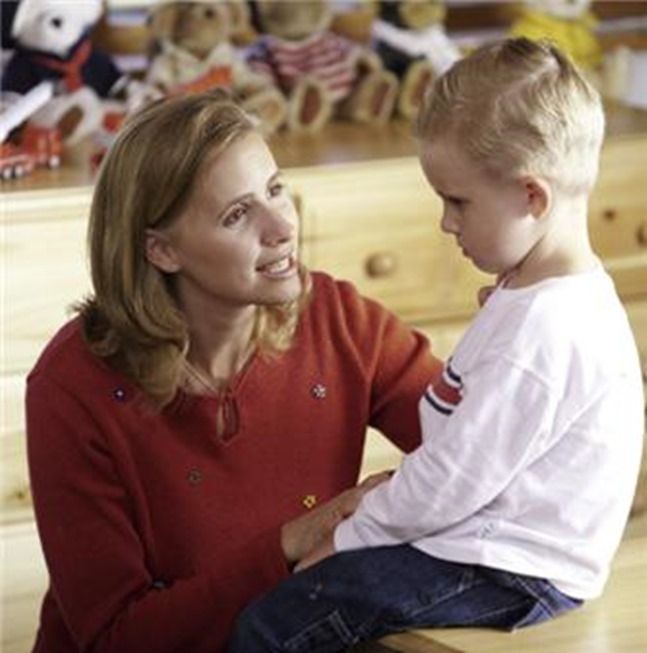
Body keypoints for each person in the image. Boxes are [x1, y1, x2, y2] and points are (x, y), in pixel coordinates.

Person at [227, 37, 645, 652]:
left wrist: (343, 536)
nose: (447, 223)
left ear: (532, 197)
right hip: (493, 539)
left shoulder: (543, 332)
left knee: (272, 624)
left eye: (458, 201)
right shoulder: (541, 297)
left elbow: (451, 480)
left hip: (508, 563)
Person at [24, 90, 444, 653]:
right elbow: (115, 639)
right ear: (162, 251)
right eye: (237, 214)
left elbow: (479, 447)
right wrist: (291, 543)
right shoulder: (73, 387)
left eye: (275, 189)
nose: (281, 227)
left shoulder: (339, 321)